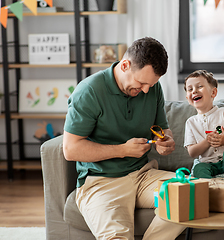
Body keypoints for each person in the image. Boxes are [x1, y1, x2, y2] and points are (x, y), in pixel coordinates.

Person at [62, 37, 186, 240]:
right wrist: (123, 150)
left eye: (151, 84)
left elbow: (163, 129)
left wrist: (166, 142)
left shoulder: (152, 88)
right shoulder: (89, 91)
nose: (146, 90)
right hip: (101, 182)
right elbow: (70, 149)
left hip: (143, 175)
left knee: (193, 194)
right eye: (142, 83)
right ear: (125, 65)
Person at [183, 70, 224, 196]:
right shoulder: (190, 122)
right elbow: (192, 152)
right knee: (198, 167)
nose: (194, 91)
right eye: (190, 89)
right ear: (188, 98)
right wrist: (207, 142)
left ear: (213, 92)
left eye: (199, 86)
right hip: (207, 163)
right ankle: (210, 191)